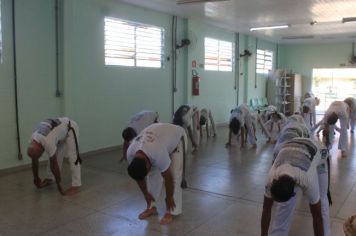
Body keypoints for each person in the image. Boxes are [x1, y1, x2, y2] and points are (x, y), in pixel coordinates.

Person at [261, 137, 331, 236]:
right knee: (284, 208)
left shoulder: (307, 179)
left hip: (320, 152)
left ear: (294, 193)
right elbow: (266, 208)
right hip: (294, 143)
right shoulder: (271, 178)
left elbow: (317, 217)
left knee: (322, 199)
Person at [127, 123, 187, 225]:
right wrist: (146, 194)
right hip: (159, 136)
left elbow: (168, 178)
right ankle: (151, 207)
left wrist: (169, 197)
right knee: (152, 175)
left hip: (177, 138)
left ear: (147, 163)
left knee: (175, 174)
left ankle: (171, 210)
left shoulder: (157, 152)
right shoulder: (130, 154)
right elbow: (138, 177)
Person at [27, 117, 81, 196]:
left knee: (72, 155)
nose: (41, 155)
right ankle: (50, 178)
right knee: (56, 154)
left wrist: (59, 184)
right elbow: (34, 161)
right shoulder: (33, 139)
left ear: (42, 148)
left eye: (40, 155)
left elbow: (54, 165)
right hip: (58, 133)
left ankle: (76, 185)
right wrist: (36, 178)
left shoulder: (47, 141)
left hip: (70, 128)